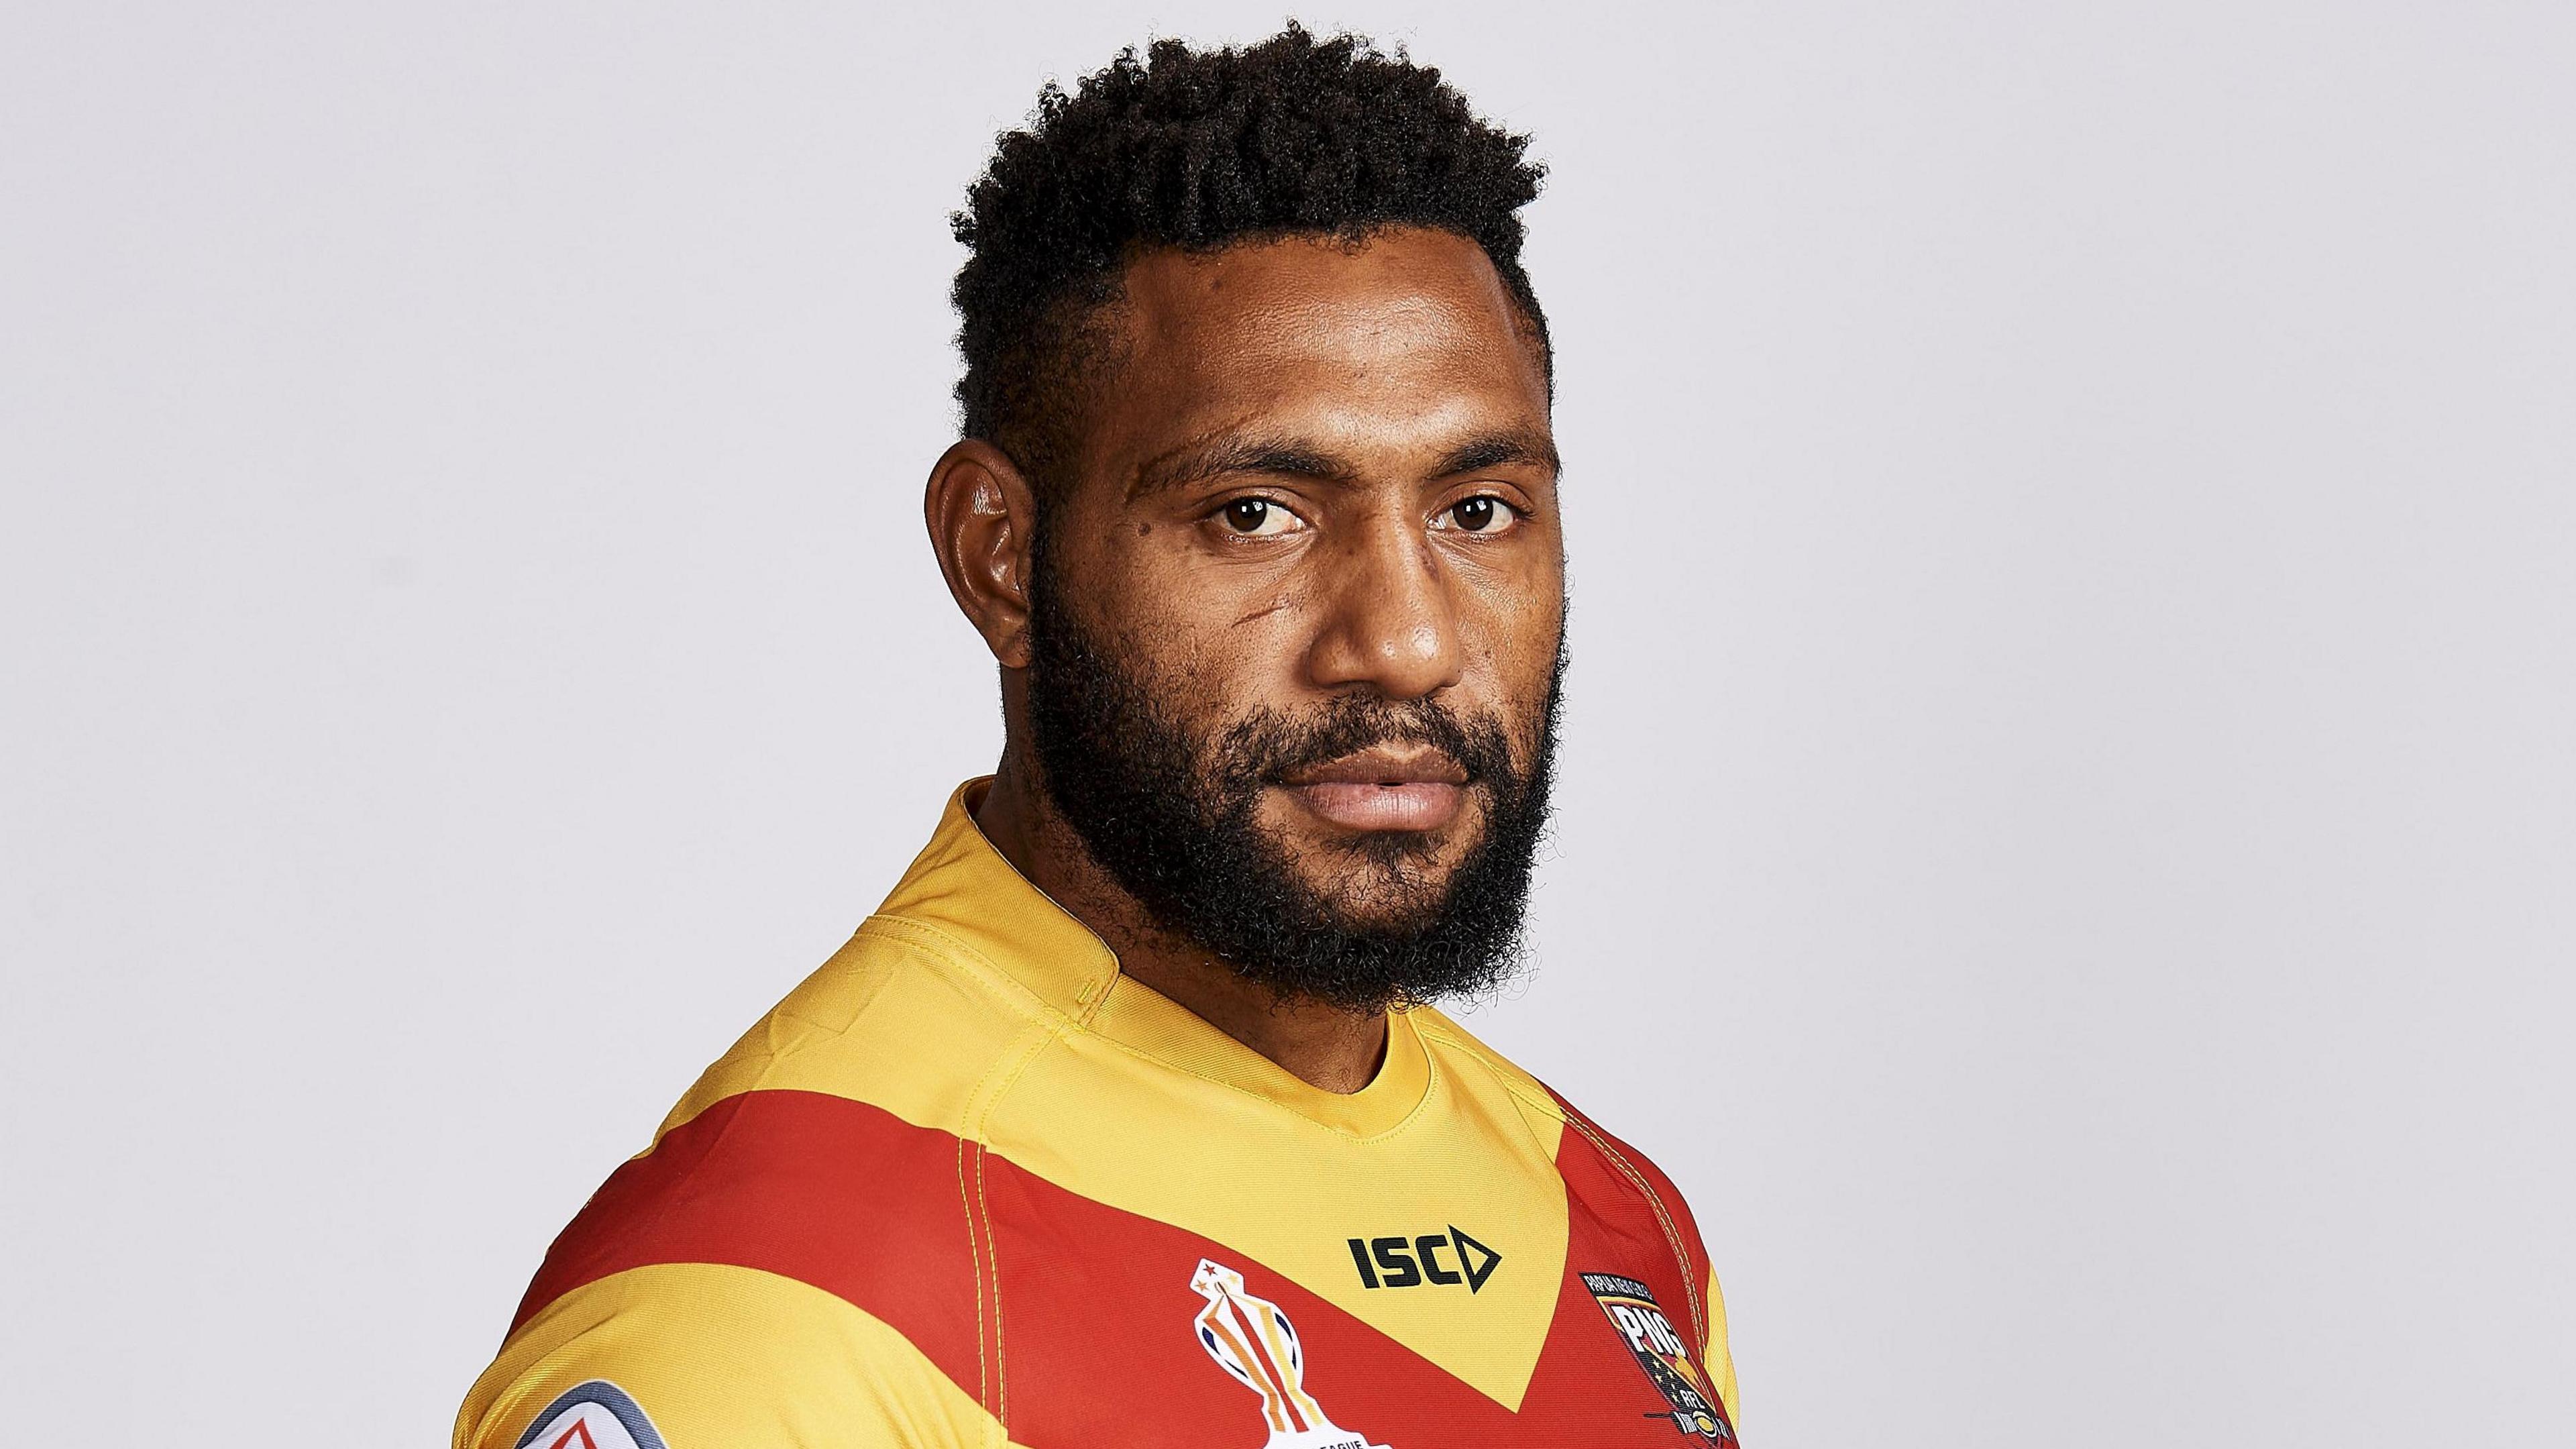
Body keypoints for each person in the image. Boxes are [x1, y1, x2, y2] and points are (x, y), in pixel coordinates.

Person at [455, 28, 1739, 1449]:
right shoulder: (782, 1299)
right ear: (1000, 559)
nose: (1411, 640)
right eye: (1258, 512)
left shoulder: (1614, 1222)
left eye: (1478, 510)